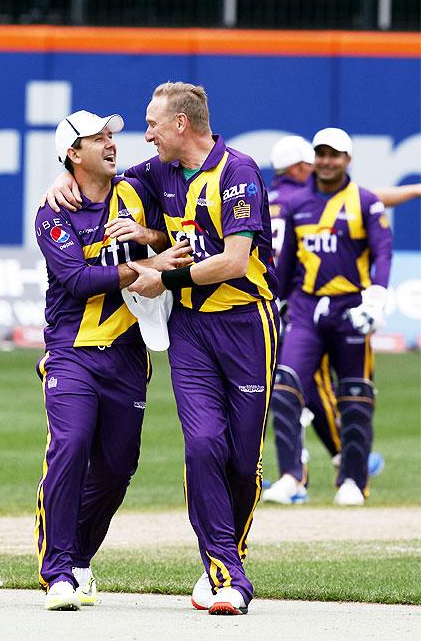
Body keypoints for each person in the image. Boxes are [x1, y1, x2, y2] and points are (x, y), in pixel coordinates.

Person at [47, 82, 279, 616]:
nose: (142, 135)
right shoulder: (158, 171)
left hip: (248, 323)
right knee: (201, 446)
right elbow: (98, 182)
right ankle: (225, 573)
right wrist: (62, 177)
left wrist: (162, 276)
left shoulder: (237, 171)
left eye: (152, 124)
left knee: (243, 461)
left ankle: (227, 557)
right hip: (192, 330)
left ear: (180, 125)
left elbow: (235, 262)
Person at [34, 109, 190, 611]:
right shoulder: (53, 213)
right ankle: (57, 570)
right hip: (72, 353)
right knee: (72, 445)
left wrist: (151, 242)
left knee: (119, 465)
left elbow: (182, 230)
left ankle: (80, 557)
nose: (110, 142)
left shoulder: (136, 188)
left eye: (110, 135)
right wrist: (143, 266)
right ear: (73, 155)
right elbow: (77, 280)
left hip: (127, 353)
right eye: (96, 138)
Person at [262, 135, 418, 503]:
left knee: (354, 394)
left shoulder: (364, 200)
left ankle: (353, 479)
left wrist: (378, 294)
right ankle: (291, 476)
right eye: (322, 155)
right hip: (305, 309)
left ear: (347, 158)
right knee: (285, 386)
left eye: (334, 155)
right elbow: (286, 264)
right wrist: (278, 300)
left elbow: (383, 250)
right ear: (313, 159)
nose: (327, 161)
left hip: (351, 308)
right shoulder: (298, 202)